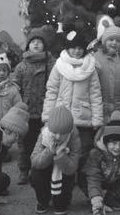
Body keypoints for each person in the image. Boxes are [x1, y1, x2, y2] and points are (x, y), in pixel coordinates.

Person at [42, 28, 102, 195]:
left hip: (83, 119)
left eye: (80, 48)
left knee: (82, 154)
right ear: (68, 48)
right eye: (73, 47)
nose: (77, 51)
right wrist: (47, 117)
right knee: (62, 155)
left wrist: (97, 120)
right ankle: (63, 188)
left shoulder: (90, 67)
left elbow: (96, 95)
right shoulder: (59, 66)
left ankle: (86, 188)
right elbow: (51, 91)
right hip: (61, 119)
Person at [12, 26, 56, 184]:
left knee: (43, 140)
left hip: (45, 109)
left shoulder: (51, 64)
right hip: (27, 110)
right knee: (24, 142)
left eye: (39, 42)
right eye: (33, 42)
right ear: (28, 45)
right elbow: (15, 86)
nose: (36, 44)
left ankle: (40, 169)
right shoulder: (22, 66)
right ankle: (24, 170)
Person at [30, 105, 81, 215]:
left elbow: (71, 168)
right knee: (35, 172)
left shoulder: (74, 137)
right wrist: (50, 151)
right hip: (46, 169)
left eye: (62, 134)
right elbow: (35, 161)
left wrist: (60, 155)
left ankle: (62, 201)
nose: (58, 137)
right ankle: (43, 200)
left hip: (63, 172)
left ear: (68, 132)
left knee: (68, 176)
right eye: (55, 132)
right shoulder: (44, 135)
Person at [93, 25, 120, 123]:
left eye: (118, 41)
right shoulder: (95, 58)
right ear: (104, 41)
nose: (114, 43)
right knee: (100, 136)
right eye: (111, 39)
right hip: (100, 107)